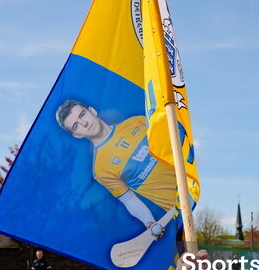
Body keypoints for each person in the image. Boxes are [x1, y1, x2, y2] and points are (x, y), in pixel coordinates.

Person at [56, 99, 174, 237]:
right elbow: (130, 200)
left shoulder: (137, 121)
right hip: (180, 208)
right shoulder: (100, 169)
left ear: (92, 110)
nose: (84, 123)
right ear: (77, 135)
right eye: (76, 126)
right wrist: (149, 222)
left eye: (82, 115)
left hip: (195, 179)